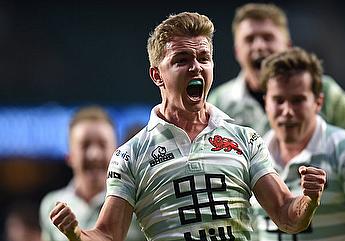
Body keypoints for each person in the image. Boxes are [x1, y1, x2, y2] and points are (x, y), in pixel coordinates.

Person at [48, 12, 327, 241]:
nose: (196, 67)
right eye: (182, 60)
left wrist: (308, 200)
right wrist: (76, 234)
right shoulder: (130, 157)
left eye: (203, 58)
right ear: (157, 75)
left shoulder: (245, 139)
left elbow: (285, 215)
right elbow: (108, 235)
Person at [253, 47, 345, 240]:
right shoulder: (252, 155)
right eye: (279, 100)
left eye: (298, 100)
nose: (287, 111)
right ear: (266, 103)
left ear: (318, 102)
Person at [207, 3, 345, 144]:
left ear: (288, 45)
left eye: (268, 37)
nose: (259, 46)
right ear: (237, 51)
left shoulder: (325, 92)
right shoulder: (218, 105)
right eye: (249, 39)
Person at [39, 106, 146, 241]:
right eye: (85, 145)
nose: (94, 155)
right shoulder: (51, 204)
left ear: (116, 153)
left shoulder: (136, 203)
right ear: (69, 156)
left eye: (102, 144)